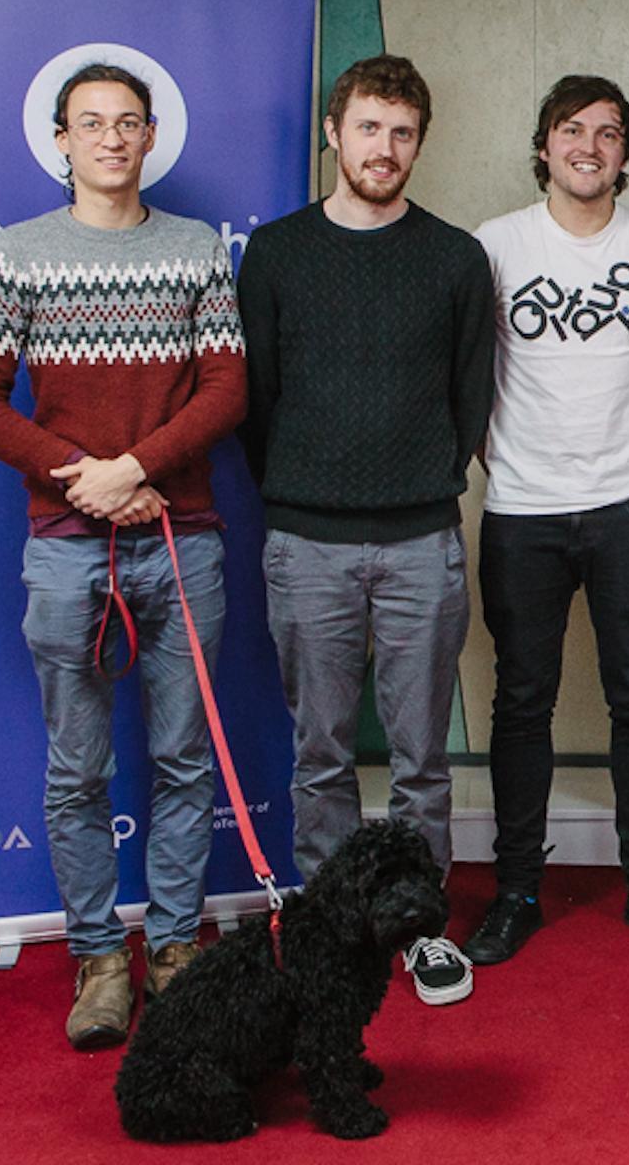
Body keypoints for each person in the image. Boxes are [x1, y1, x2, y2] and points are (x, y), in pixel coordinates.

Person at [0, 63, 245, 1049]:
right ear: (62, 140)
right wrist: (84, 475)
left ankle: (171, 949)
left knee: (182, 758)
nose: (112, 139)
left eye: (128, 123)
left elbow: (224, 388)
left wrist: (134, 466)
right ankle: (97, 959)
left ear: (150, 133)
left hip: (182, 541)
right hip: (64, 548)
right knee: (77, 768)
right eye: (92, 124)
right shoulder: (19, 257)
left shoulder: (195, 248)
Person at [237, 54, 493, 1008]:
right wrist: (309, 488)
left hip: (422, 541)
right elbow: (256, 400)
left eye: (403, 133)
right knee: (323, 753)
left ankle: (420, 929)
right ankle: (331, 933)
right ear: (333, 135)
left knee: (425, 758)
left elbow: (472, 398)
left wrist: (420, 480)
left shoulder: (454, 258)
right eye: (369, 128)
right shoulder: (276, 253)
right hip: (306, 543)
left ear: (419, 144)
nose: (384, 148)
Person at [465, 74, 629, 964]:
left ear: (627, 154)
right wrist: (518, 462)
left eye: (609, 133)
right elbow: (473, 376)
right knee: (522, 701)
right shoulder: (494, 245)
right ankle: (517, 890)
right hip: (523, 507)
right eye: (573, 130)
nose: (590, 146)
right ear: (544, 145)